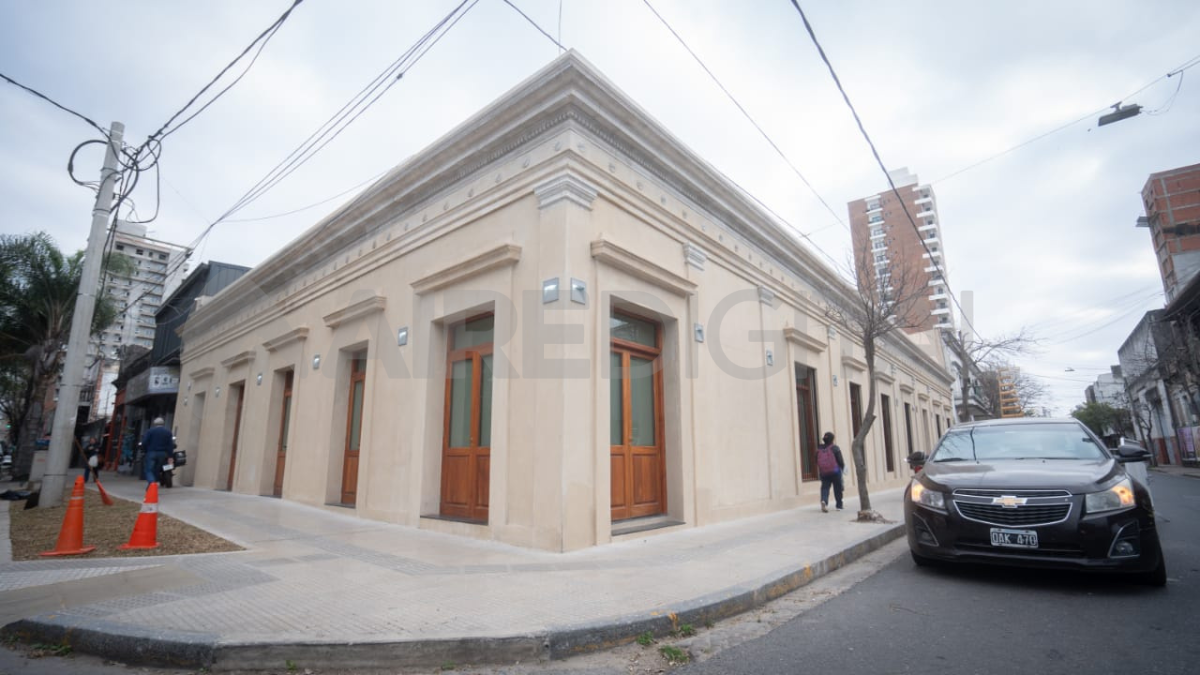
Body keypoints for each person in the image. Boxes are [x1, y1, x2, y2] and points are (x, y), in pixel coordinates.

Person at [816, 431, 845, 512]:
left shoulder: (819, 449)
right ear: (832, 439)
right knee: (837, 488)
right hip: (835, 471)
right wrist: (843, 467)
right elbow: (840, 460)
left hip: (824, 472)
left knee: (825, 488)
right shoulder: (835, 448)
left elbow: (816, 460)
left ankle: (824, 500)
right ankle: (839, 505)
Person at [141, 418, 174, 489]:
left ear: (154, 424)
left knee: (149, 470)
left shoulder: (150, 431)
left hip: (151, 453)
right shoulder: (168, 432)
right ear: (163, 424)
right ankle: (153, 483)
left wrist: (145, 450)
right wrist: (170, 456)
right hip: (163, 454)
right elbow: (170, 445)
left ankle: (152, 482)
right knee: (157, 469)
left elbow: (144, 442)